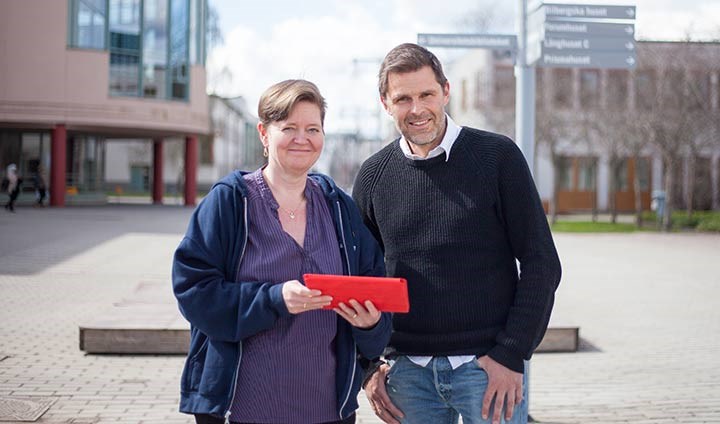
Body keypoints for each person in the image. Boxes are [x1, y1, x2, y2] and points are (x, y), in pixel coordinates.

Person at [352, 43, 562, 424]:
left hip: (487, 370)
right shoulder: (373, 176)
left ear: (445, 91)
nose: (417, 109)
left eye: (426, 94)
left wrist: (512, 354)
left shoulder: (497, 158)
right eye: (403, 99)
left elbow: (541, 263)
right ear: (385, 103)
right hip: (407, 377)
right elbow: (358, 280)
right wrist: (367, 366)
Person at [172, 79, 392, 424]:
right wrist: (274, 299)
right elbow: (193, 292)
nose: (302, 138)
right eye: (288, 128)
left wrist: (371, 324)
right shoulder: (230, 202)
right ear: (264, 133)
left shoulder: (339, 208)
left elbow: (374, 291)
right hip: (243, 408)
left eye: (312, 128)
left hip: (327, 411)